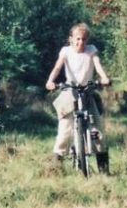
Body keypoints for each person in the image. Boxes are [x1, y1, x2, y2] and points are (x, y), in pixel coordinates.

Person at [45, 23, 111, 173]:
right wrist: (50, 81)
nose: (81, 42)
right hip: (70, 91)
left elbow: (97, 65)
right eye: (78, 39)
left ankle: (104, 171)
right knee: (64, 132)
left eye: (84, 39)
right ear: (71, 39)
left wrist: (104, 78)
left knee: (98, 131)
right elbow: (57, 67)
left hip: (88, 91)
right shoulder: (66, 51)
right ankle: (55, 168)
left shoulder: (91, 50)